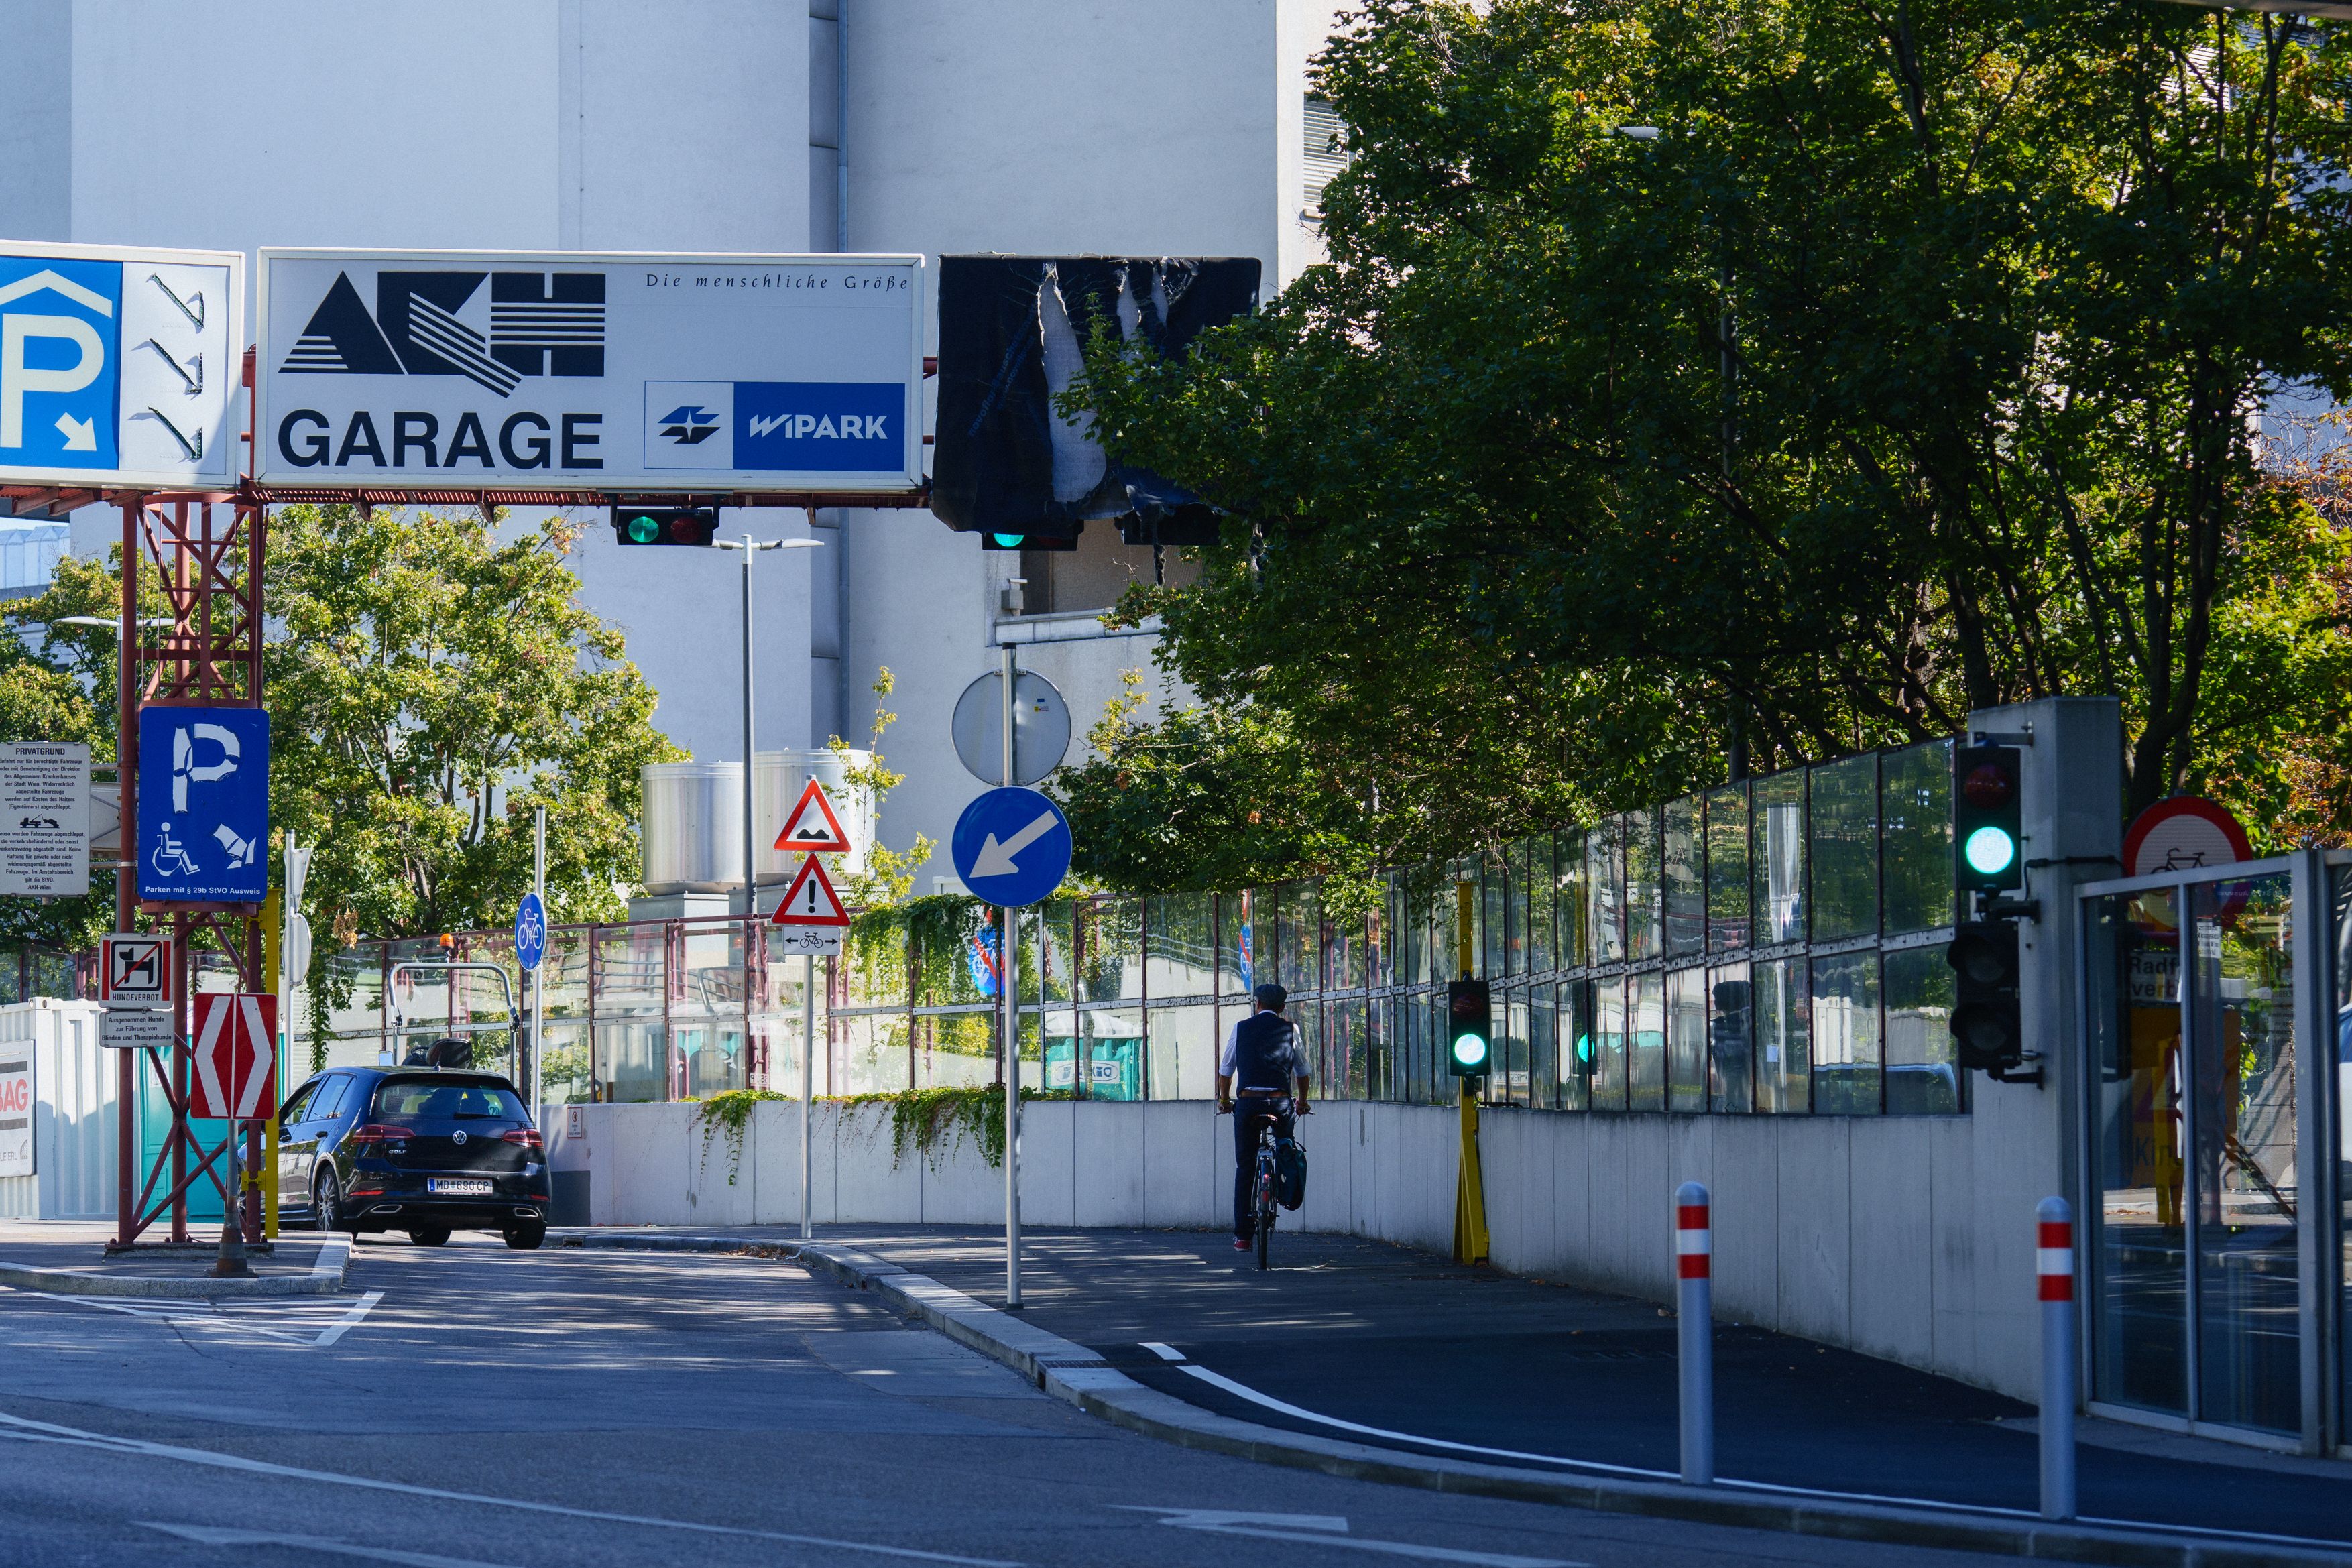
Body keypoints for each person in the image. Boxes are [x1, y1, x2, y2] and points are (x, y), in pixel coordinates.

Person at [1216, 982, 1312, 1251]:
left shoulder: (1241, 1028)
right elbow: (1302, 1072)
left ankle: (1243, 1236)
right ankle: (1285, 1187)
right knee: (1285, 1148)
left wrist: (1225, 1101)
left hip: (1247, 1104)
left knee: (1245, 1167)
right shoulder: (1290, 1029)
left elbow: (1226, 1070)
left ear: (1256, 1004)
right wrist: (1302, 1102)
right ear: (1282, 1008)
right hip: (1281, 1104)